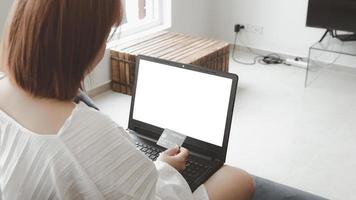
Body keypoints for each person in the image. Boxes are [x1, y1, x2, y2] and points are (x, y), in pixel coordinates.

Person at [0, 0, 254, 199]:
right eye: (105, 35)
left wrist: (157, 164)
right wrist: (165, 169)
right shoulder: (84, 131)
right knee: (239, 179)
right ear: (83, 45)